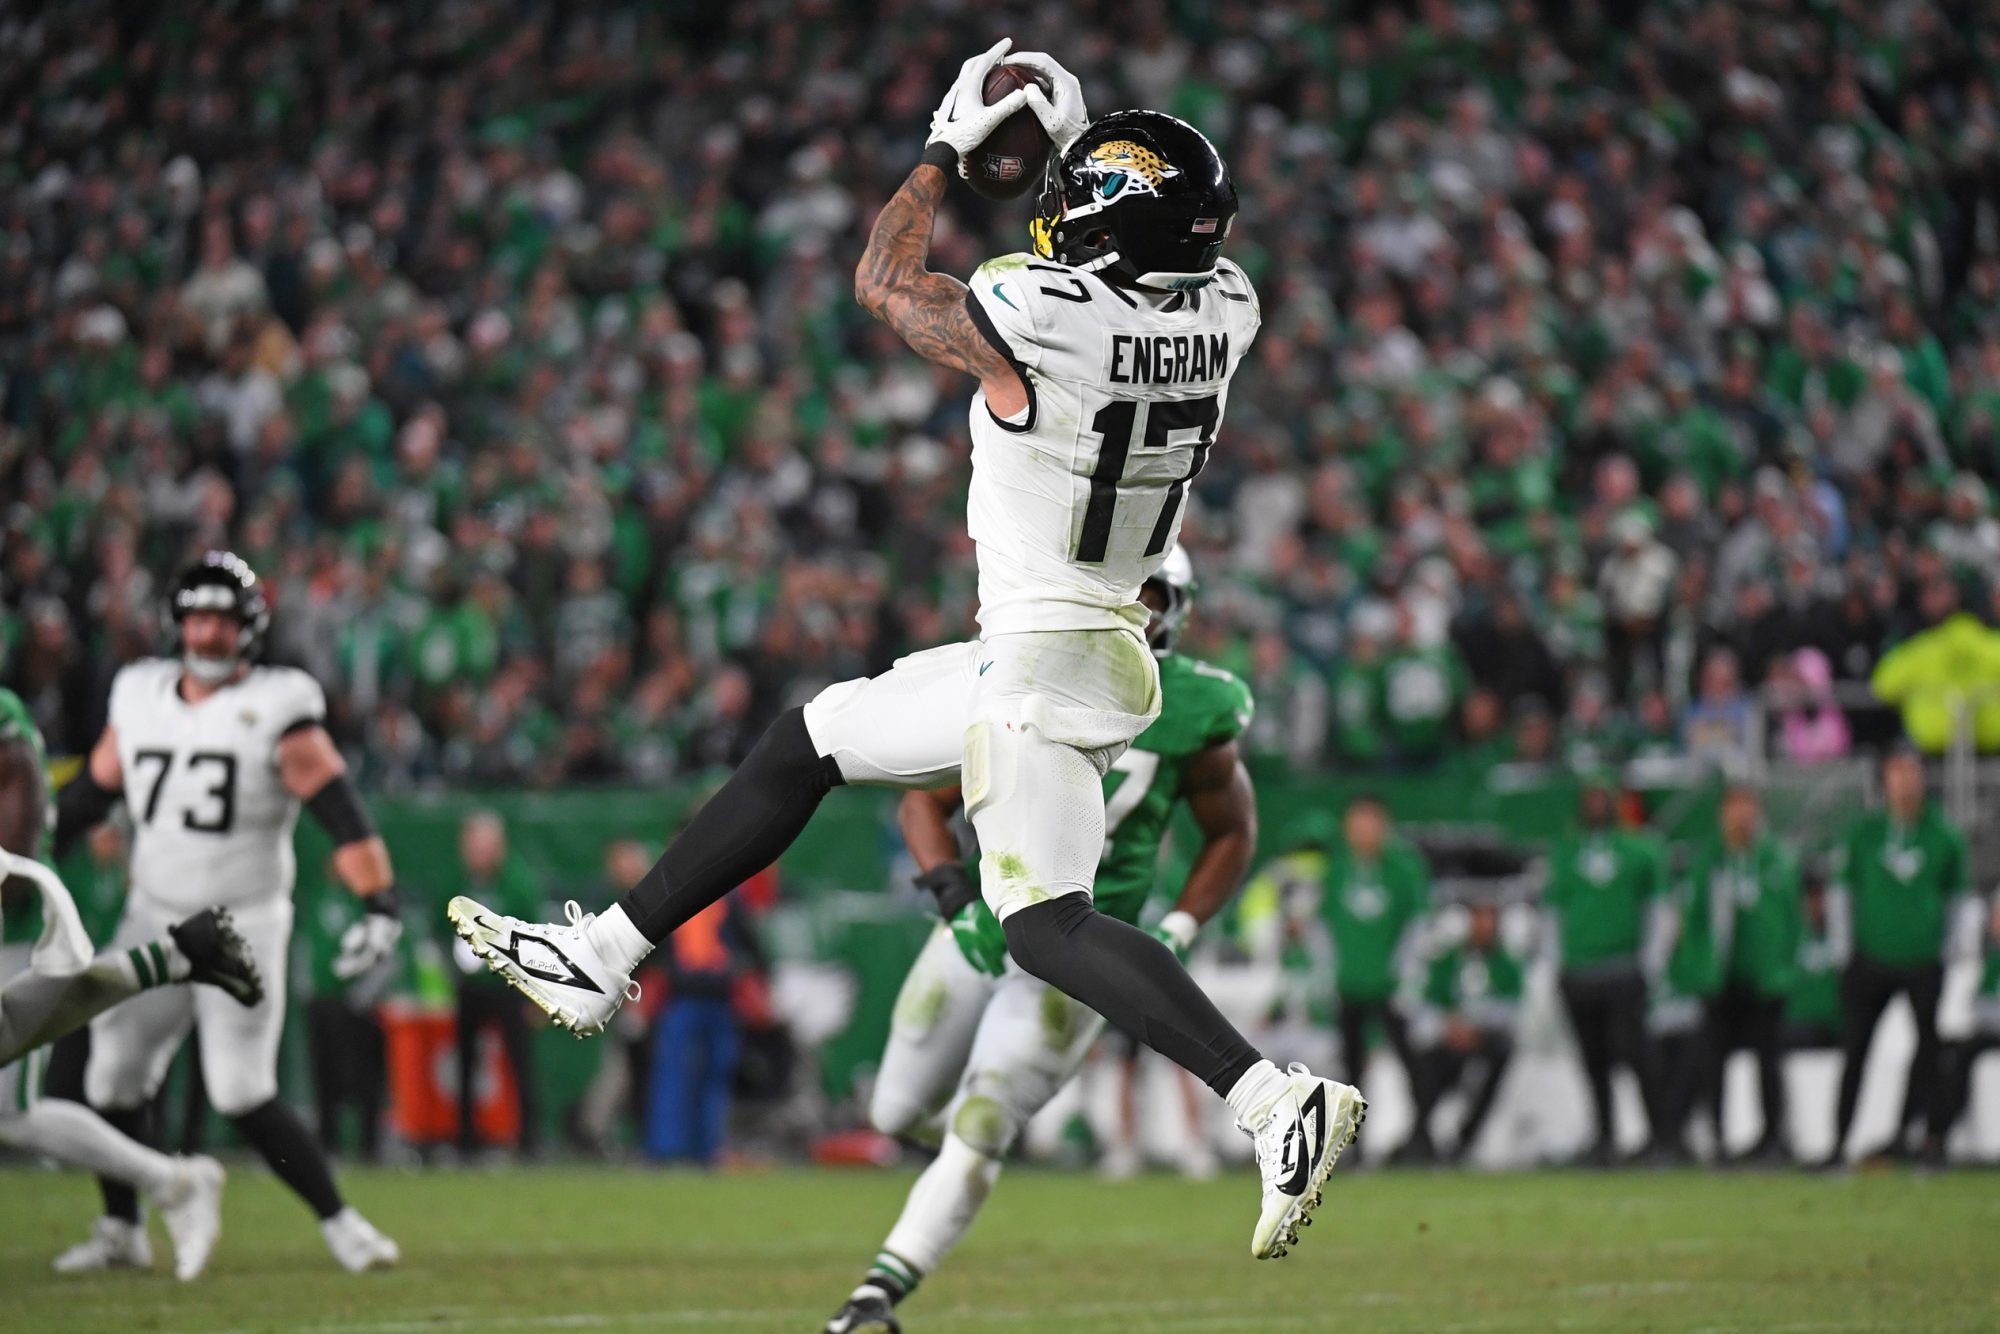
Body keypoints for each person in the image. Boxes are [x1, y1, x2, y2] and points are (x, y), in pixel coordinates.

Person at [452, 43, 1362, 1262]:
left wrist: (942, 147)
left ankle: (1270, 1098)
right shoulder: (1228, 307)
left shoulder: (1043, 317)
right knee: (808, 739)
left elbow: (885, 281)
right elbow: (1126, 246)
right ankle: (601, 951)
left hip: (1043, 660)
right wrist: (1082, 157)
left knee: (1044, 925)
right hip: (1076, 640)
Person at [825, 548, 1257, 1334]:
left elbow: (1232, 831)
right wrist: (952, 894)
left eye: (1154, 596)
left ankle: (875, 1297)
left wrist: (1182, 923)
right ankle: (948, 1150)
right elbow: (925, 803)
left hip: (1076, 958)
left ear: (1178, 609)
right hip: (984, 930)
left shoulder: (1196, 706)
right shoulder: (1025, 671)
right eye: (1131, 592)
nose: (1143, 610)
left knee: (984, 1124)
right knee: (894, 1111)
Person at [52, 552, 402, 1272]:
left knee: (242, 1088)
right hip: (153, 916)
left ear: (249, 629)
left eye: (221, 620)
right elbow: (91, 792)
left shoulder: (280, 702)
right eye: (197, 618)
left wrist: (379, 903)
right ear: (176, 623)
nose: (208, 635)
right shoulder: (139, 693)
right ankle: (122, 1229)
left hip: (242, 921)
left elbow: (338, 808)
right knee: (111, 1078)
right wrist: (28, 860)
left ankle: (341, 1222)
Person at [0, 686, 260, 1281]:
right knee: (12, 1105)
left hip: (11, 918)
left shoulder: (5, 721)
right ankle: (173, 956)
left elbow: (15, 849)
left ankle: (173, 1184)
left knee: (12, 1105)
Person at [1819, 748, 1972, 1168]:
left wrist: (1951, 951)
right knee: (1855, 1051)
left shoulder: (1944, 835)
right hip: (1870, 959)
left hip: (1923, 959)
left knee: (1929, 1050)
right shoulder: (1863, 833)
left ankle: (1929, 1138)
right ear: (1885, 781)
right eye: (1896, 773)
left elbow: (1959, 899)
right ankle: (1838, 1142)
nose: (1904, 783)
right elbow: (1840, 893)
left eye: (1911, 773)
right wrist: (1843, 949)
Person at [1543, 782, 1671, 1165]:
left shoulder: (1641, 850)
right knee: (1592, 1060)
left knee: (1636, 1054)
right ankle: (1605, 1136)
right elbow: (1553, 915)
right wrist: (1556, 966)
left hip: (1623, 968)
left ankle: (1660, 1136)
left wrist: (1651, 963)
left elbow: (1660, 909)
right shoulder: (1564, 853)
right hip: (1580, 970)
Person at [1683, 787, 1802, 1163]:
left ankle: (1773, 1135)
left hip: (1766, 977)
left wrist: (1786, 967)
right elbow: (1694, 919)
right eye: (1734, 811)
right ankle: (1716, 1136)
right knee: (1712, 1060)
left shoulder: (1776, 860)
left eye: (1747, 811)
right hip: (1721, 976)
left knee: (1768, 1060)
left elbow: (1793, 918)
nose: (1740, 819)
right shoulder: (1711, 860)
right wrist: (1700, 969)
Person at [1321, 794, 1431, 1159]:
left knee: (1411, 1064)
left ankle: (1422, 1137)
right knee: (1351, 1071)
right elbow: (1323, 925)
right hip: (1350, 983)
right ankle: (1353, 1146)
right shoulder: (1337, 869)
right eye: (1356, 824)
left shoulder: (1403, 868)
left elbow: (1417, 925)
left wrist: (1407, 976)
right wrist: (1330, 971)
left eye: (1370, 823)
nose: (1363, 832)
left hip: (1391, 985)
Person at [1392, 900, 1523, 1165]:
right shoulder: (1447, 959)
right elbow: (1426, 1002)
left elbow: (1513, 1008)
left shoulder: (1507, 962)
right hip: (1447, 1037)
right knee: (1422, 1065)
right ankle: (1420, 1137)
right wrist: (1449, 1026)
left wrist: (1476, 1025)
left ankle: (1465, 1139)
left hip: (1484, 1037)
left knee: (1503, 1051)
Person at [646, 885, 767, 1165]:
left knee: (712, 1074)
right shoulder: (672, 892)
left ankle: (706, 1147)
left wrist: (755, 974)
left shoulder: (727, 894)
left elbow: (747, 941)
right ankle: (669, 1149)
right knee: (676, 1074)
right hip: (683, 996)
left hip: (716, 997)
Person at [450, 810, 543, 1158]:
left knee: (520, 1062)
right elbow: (438, 925)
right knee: (465, 1061)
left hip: (508, 987)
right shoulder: (459, 883)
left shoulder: (517, 883)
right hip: (470, 987)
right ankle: (465, 1137)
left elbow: (532, 939)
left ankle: (529, 1138)